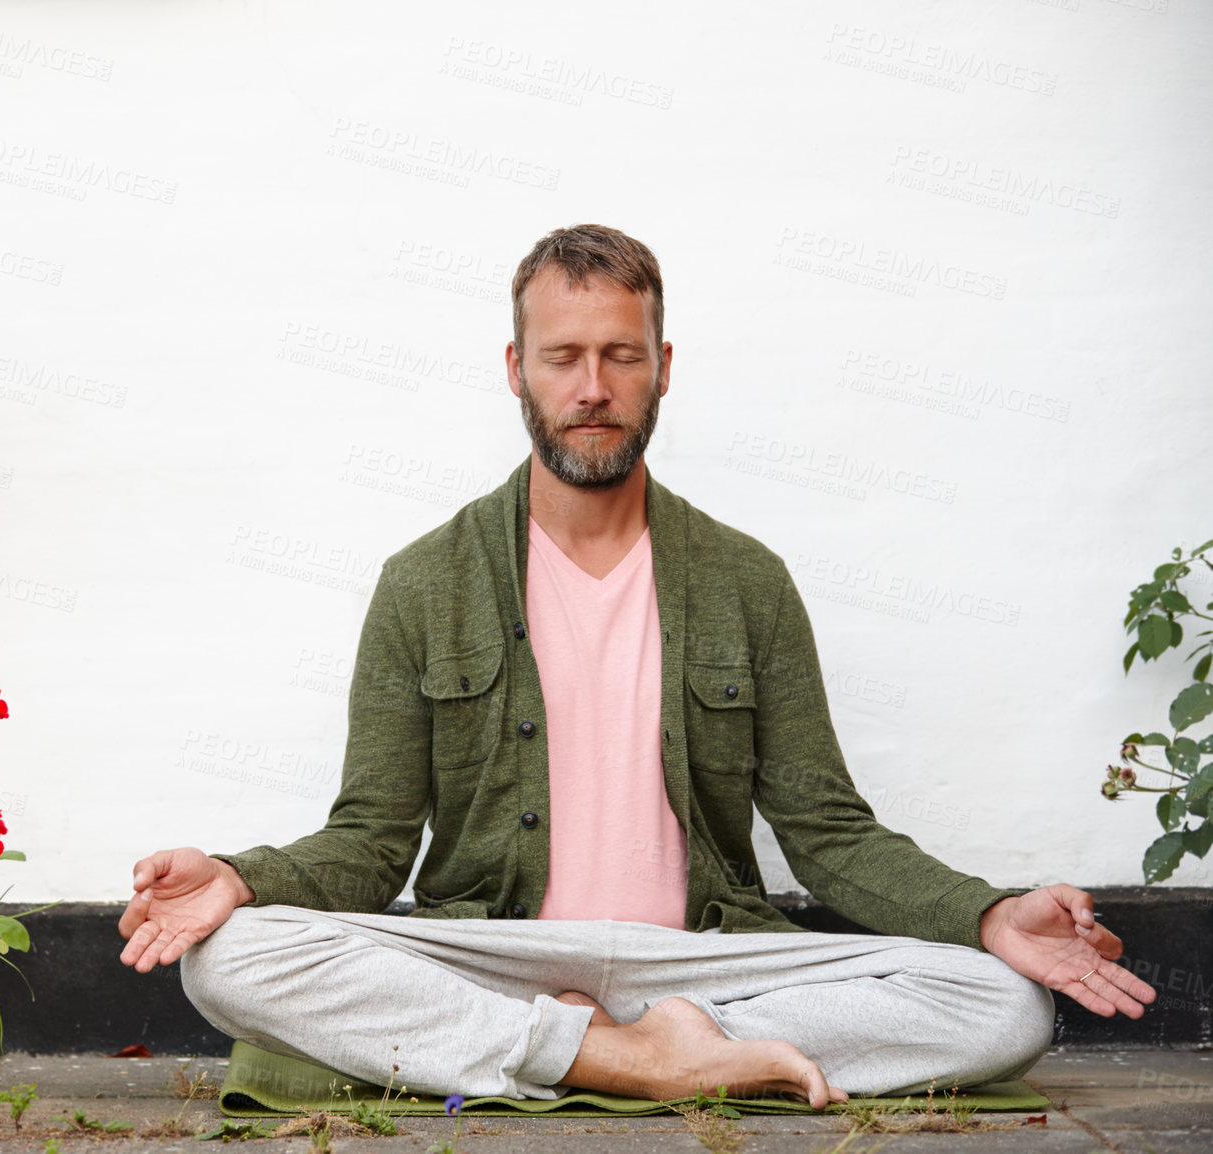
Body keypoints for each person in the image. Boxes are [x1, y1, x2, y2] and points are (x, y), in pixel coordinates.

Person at [119, 224, 1155, 1108]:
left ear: (664, 363)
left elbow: (827, 830)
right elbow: (372, 838)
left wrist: (985, 912)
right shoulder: (422, 583)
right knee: (235, 957)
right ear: (514, 365)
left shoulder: (747, 580)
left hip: (701, 959)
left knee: (1005, 1000)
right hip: (503, 955)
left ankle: (659, 1034)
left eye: (621, 354)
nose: (593, 387)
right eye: (563, 355)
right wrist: (244, 877)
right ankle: (628, 1059)